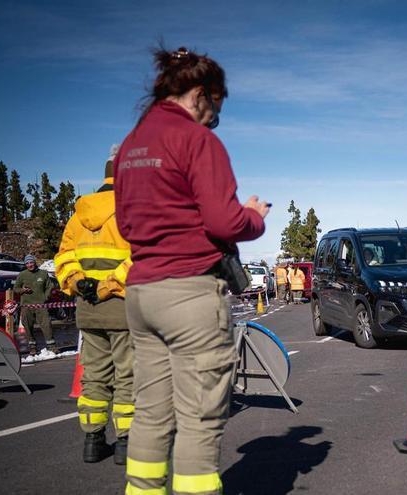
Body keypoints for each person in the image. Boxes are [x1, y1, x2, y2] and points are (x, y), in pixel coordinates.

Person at [114, 46, 269, 495]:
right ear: (200, 93)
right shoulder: (198, 141)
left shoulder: (131, 145)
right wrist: (254, 215)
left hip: (143, 292)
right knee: (200, 415)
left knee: (150, 412)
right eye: (216, 106)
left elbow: (126, 224)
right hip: (189, 294)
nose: (215, 116)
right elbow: (224, 222)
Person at [55, 146, 134, 465]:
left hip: (87, 310)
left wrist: (78, 283)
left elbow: (63, 257)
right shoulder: (133, 210)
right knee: (129, 375)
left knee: (95, 376)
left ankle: (93, 439)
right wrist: (108, 286)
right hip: (123, 308)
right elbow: (141, 257)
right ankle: (126, 444)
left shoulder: (78, 215)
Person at [15, 254, 56, 354]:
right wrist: (23, 290)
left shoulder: (43, 273)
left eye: (31, 262)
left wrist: (45, 297)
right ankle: (32, 347)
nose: (30, 265)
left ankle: (52, 346)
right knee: (28, 327)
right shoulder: (22, 275)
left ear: (35, 262)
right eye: (27, 263)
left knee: (47, 325)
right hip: (26, 306)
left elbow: (50, 286)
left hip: (41, 305)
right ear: (25, 265)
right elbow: (15, 289)